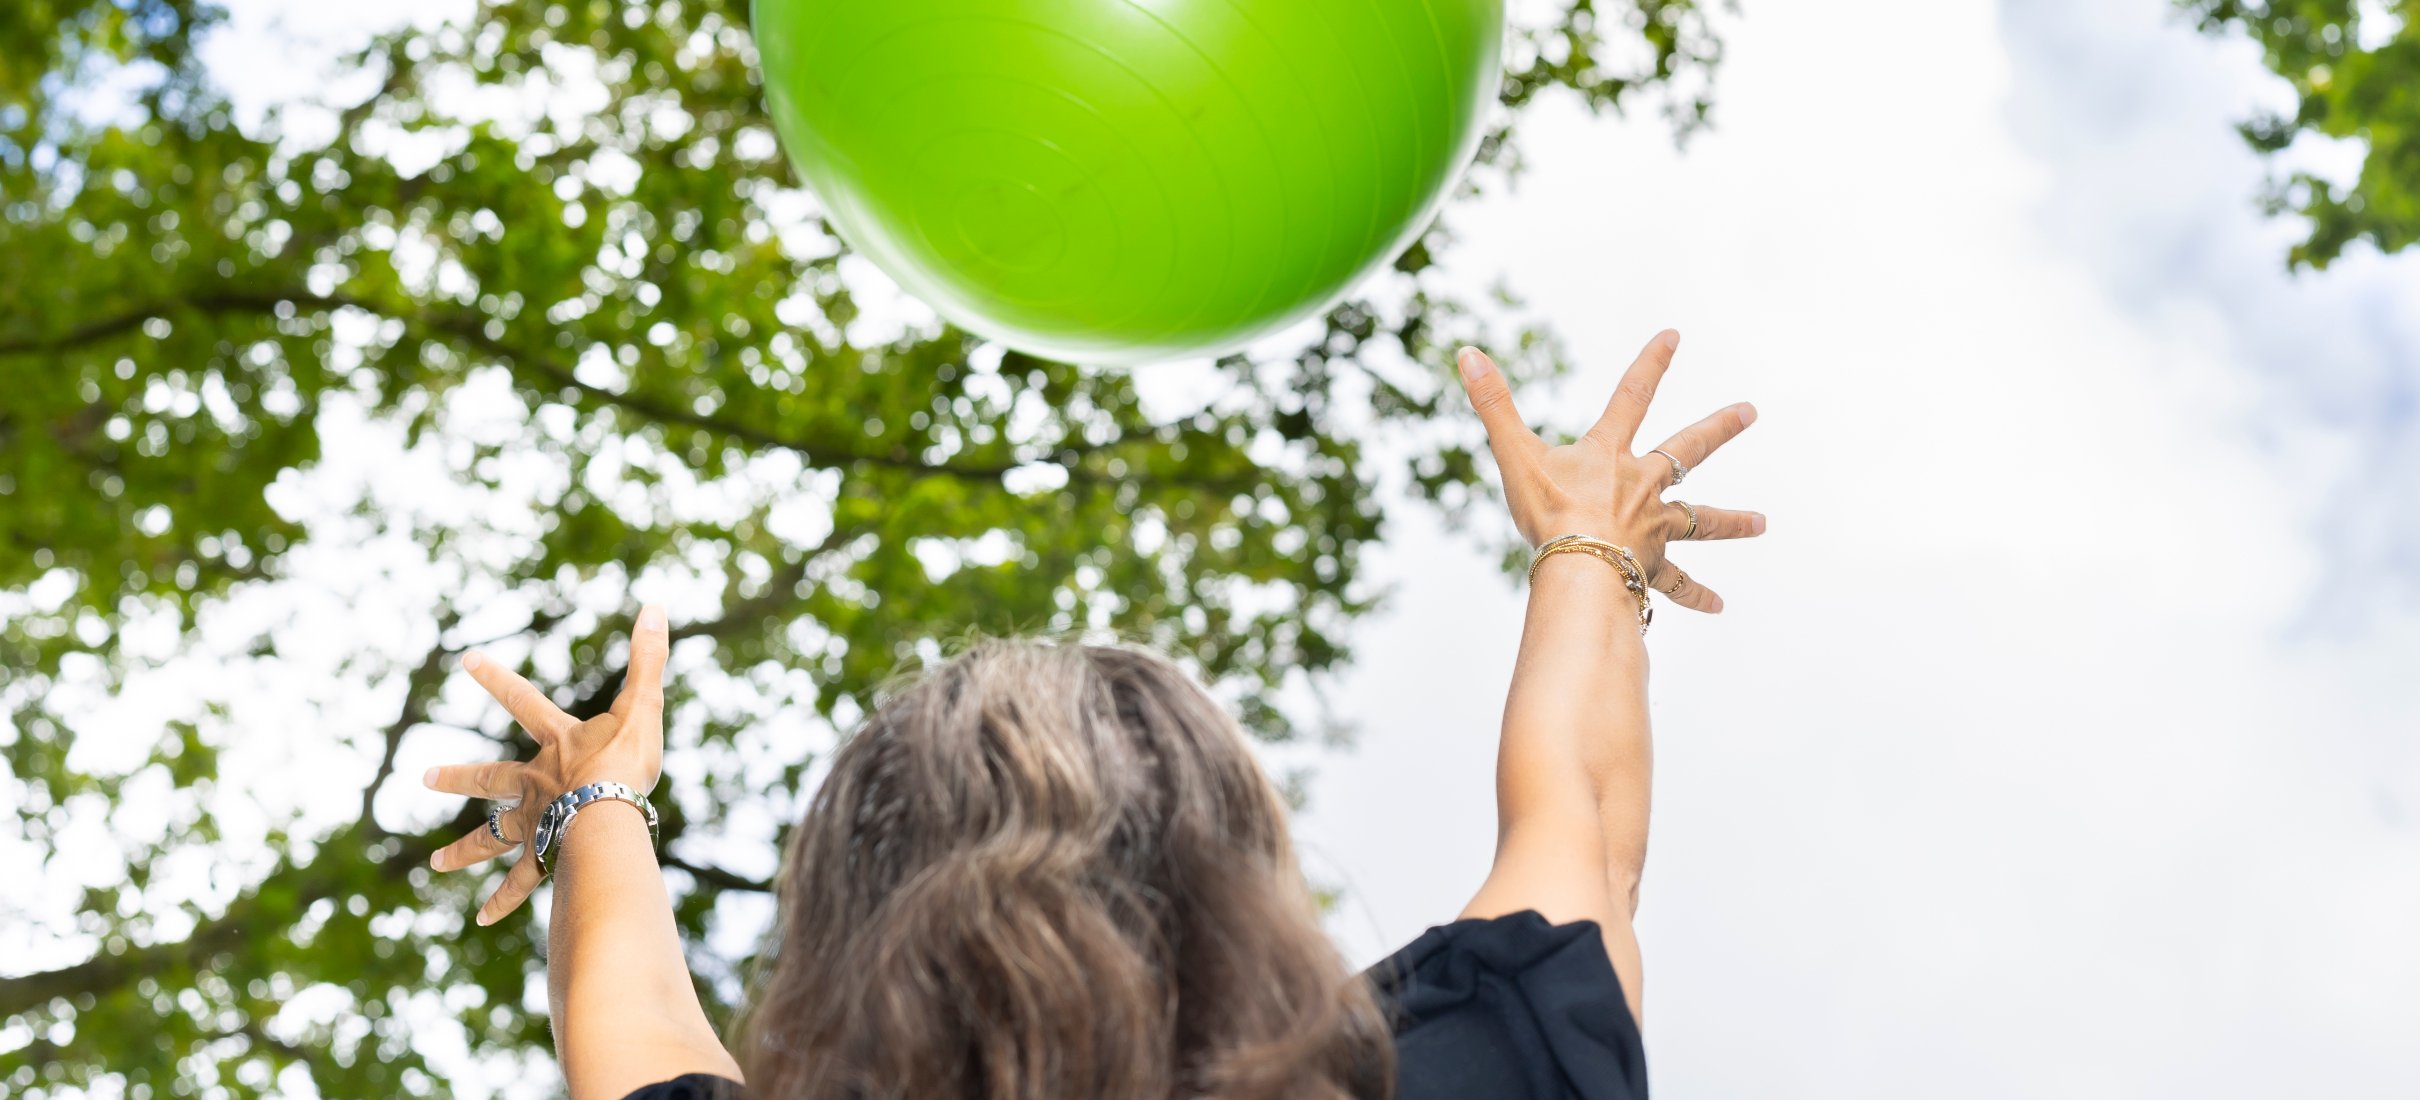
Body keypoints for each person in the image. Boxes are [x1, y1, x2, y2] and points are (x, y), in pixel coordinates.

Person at [420, 332, 1763, 1099]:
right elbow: (1583, 830)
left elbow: (630, 1013)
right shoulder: (1465, 1064)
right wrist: (1591, 545)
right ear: (1233, 872)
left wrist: (597, 798)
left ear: (845, 921)